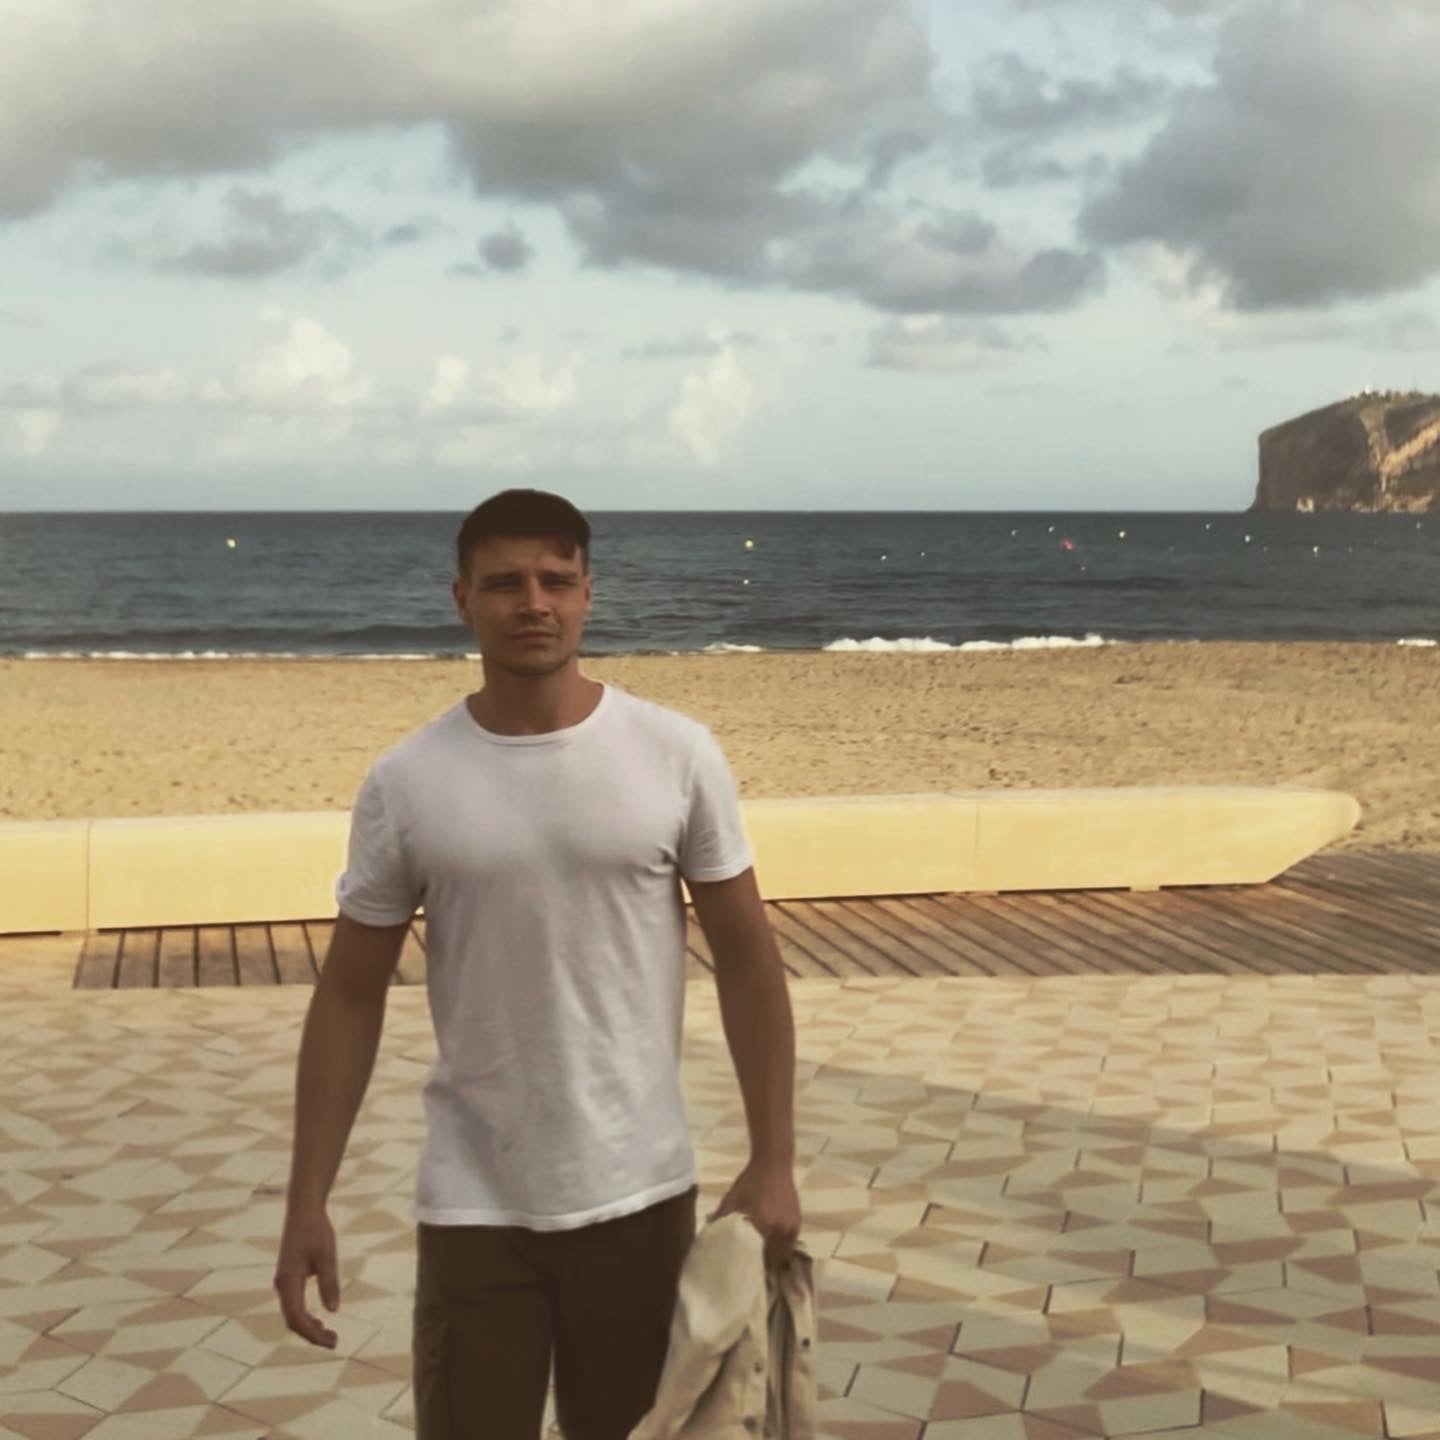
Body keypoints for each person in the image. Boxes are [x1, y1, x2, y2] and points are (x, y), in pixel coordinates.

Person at [273, 489, 802, 1440]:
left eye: (556, 580)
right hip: (474, 1204)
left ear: (589, 593)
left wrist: (774, 1161)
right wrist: (306, 1199)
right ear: (462, 599)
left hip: (639, 1193)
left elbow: (748, 963)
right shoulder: (408, 781)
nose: (533, 603)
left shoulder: (675, 755)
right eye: (505, 583)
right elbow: (349, 995)